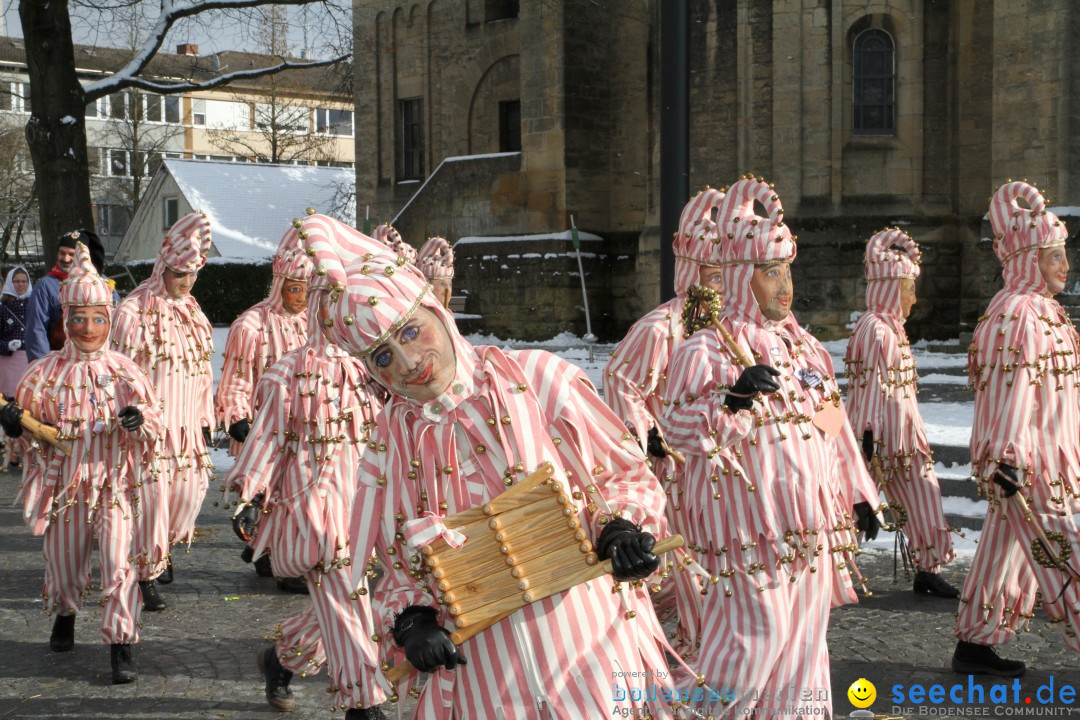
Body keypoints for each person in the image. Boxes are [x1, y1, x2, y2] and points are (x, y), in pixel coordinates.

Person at [305, 214, 692, 719]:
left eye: (411, 332)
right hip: (486, 680)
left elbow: (624, 476)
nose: (407, 361)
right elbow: (402, 561)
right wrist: (412, 619)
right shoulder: (391, 445)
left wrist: (621, 526)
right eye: (382, 357)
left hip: (589, 650)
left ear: (436, 311)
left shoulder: (538, 380)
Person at [660, 176, 880, 718]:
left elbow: (833, 424)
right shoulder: (705, 349)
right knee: (747, 650)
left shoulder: (806, 349)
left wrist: (858, 493)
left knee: (802, 657)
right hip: (745, 536)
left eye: (787, 272)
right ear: (739, 277)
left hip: (809, 530)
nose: (785, 287)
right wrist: (731, 402)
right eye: (770, 273)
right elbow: (675, 430)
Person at [227, 214, 387, 718]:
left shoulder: (371, 369)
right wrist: (250, 493)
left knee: (354, 601)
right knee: (346, 599)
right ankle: (365, 703)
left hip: (368, 506)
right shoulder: (287, 373)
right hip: (314, 507)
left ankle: (282, 657)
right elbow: (268, 437)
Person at [0, 242, 163, 684]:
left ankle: (121, 642)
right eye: (78, 319)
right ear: (65, 321)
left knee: (117, 563)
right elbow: (31, 439)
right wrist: (16, 427)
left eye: (97, 319)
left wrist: (138, 420)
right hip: (65, 490)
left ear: (108, 322)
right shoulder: (44, 373)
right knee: (64, 561)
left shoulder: (128, 371)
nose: (87, 327)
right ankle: (65, 613)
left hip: (113, 486)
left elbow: (155, 423)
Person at [951, 180, 1080, 677]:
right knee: (1061, 549)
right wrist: (1008, 457)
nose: (1065, 267)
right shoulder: (1020, 314)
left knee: (1004, 554)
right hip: (1032, 464)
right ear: (1028, 259)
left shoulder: (1046, 312)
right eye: (1054, 258)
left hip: (1052, 456)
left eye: (1064, 256)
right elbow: (1013, 390)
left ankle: (976, 644)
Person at [602, 187, 727, 657]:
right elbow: (620, 380)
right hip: (674, 475)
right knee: (681, 568)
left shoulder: (726, 331)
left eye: (725, 278)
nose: (719, 288)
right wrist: (650, 434)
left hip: (717, 473)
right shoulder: (660, 328)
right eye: (713, 277)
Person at [844, 228, 959, 598]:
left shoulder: (894, 330)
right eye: (909, 290)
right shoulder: (875, 331)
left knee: (924, 496)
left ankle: (928, 568)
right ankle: (825, 565)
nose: (913, 299)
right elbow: (869, 393)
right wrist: (867, 447)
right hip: (876, 441)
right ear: (891, 288)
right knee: (851, 507)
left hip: (906, 439)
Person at [110, 212, 216, 611]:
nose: (185, 282)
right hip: (151, 429)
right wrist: (130, 414)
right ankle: (145, 576)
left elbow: (203, 370)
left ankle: (160, 551)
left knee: (189, 496)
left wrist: (205, 420)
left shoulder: (194, 313)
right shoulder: (134, 312)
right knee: (150, 503)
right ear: (162, 267)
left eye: (192, 274)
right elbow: (119, 370)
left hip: (187, 429)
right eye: (177, 273)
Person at [216, 224, 312, 580]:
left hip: (301, 426)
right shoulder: (251, 325)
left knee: (293, 494)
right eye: (295, 289)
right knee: (268, 494)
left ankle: (267, 549)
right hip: (264, 425)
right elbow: (237, 377)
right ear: (280, 286)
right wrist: (239, 415)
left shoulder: (311, 323)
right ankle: (270, 554)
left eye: (307, 290)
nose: (301, 297)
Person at [0, 266, 32, 399]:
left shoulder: (34, 303)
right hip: (9, 361)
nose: (20, 284)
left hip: (30, 359)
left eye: (24, 281)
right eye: (17, 281)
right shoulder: (3, 307)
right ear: (10, 282)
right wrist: (6, 346)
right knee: (11, 399)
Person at [417, 235, 454, 309]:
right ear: (427, 284)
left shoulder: (445, 314)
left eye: (450, 284)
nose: (447, 289)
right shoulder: (421, 313)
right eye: (442, 283)